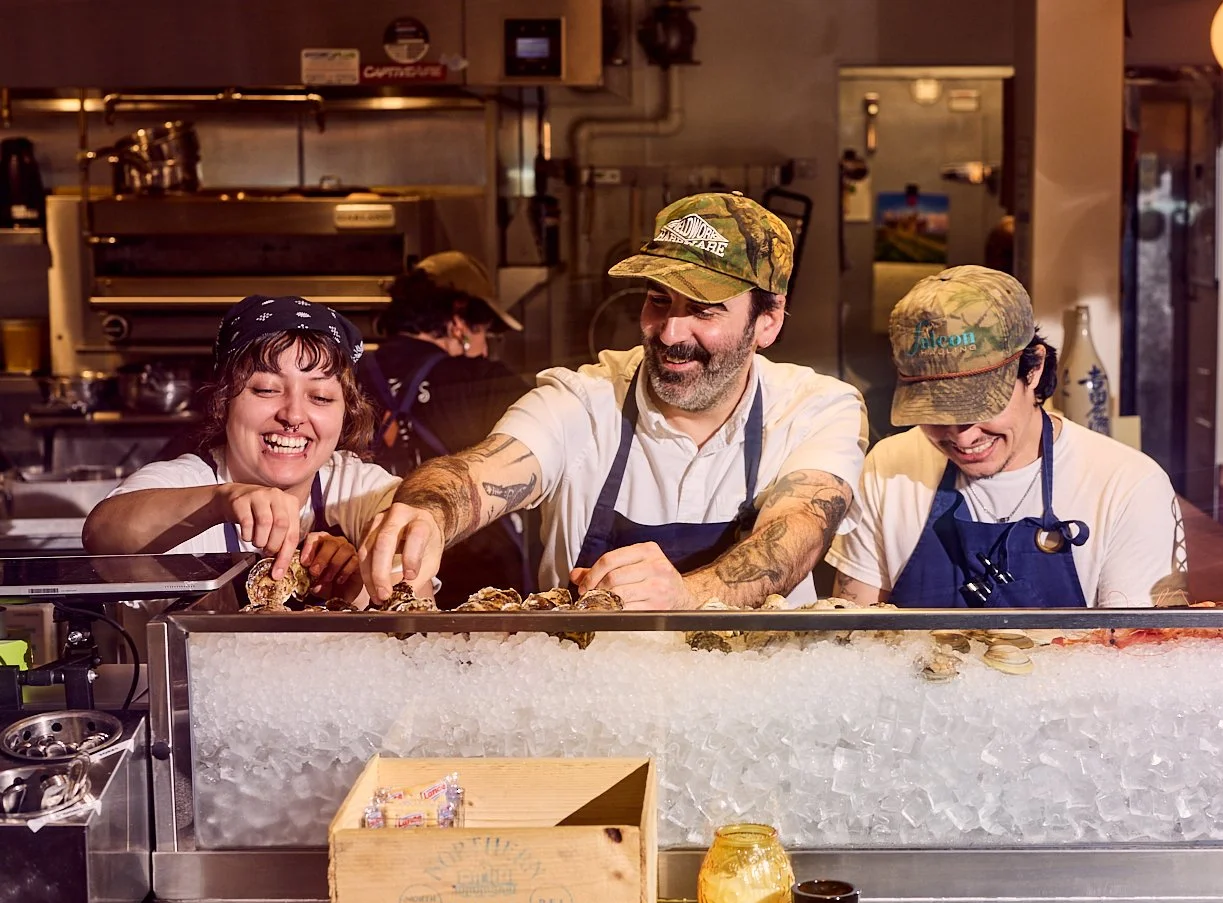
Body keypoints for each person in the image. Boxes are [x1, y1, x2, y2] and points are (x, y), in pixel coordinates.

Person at [358, 192, 868, 610]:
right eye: (658, 300)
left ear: (768, 322)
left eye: (704, 311)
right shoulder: (584, 400)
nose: (670, 333)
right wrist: (428, 512)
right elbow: (476, 472)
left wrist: (687, 595)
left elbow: (798, 529)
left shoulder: (816, 408)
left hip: (753, 709)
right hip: (588, 702)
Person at [827, 265, 1186, 608]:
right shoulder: (888, 468)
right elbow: (854, 638)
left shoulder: (1127, 486)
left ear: (1033, 369)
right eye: (933, 412)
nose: (962, 436)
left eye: (979, 406)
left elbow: (1137, 654)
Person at [85, 296, 399, 604]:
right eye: (266, 390)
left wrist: (358, 592)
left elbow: (416, 624)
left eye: (320, 397)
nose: (293, 415)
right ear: (224, 401)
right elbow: (102, 535)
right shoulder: (187, 480)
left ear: (347, 413)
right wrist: (221, 501)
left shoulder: (356, 487)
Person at [363, 252, 535, 601]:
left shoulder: (344, 377)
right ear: (460, 319)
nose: (485, 347)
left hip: (374, 570)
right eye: (485, 331)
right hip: (476, 580)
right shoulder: (483, 380)